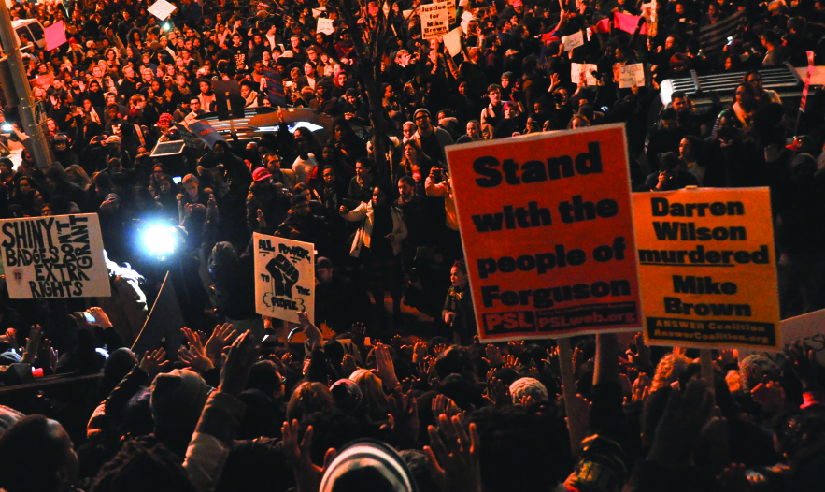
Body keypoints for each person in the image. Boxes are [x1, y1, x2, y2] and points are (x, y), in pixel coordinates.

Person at [340, 184, 407, 326]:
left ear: (387, 196)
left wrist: (395, 237)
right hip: (374, 252)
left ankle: (396, 310)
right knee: (378, 284)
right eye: (375, 195)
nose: (376, 198)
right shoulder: (367, 208)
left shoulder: (395, 211)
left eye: (379, 195)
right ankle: (381, 309)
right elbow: (353, 216)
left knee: (395, 284)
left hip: (391, 251)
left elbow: (404, 232)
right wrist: (344, 213)